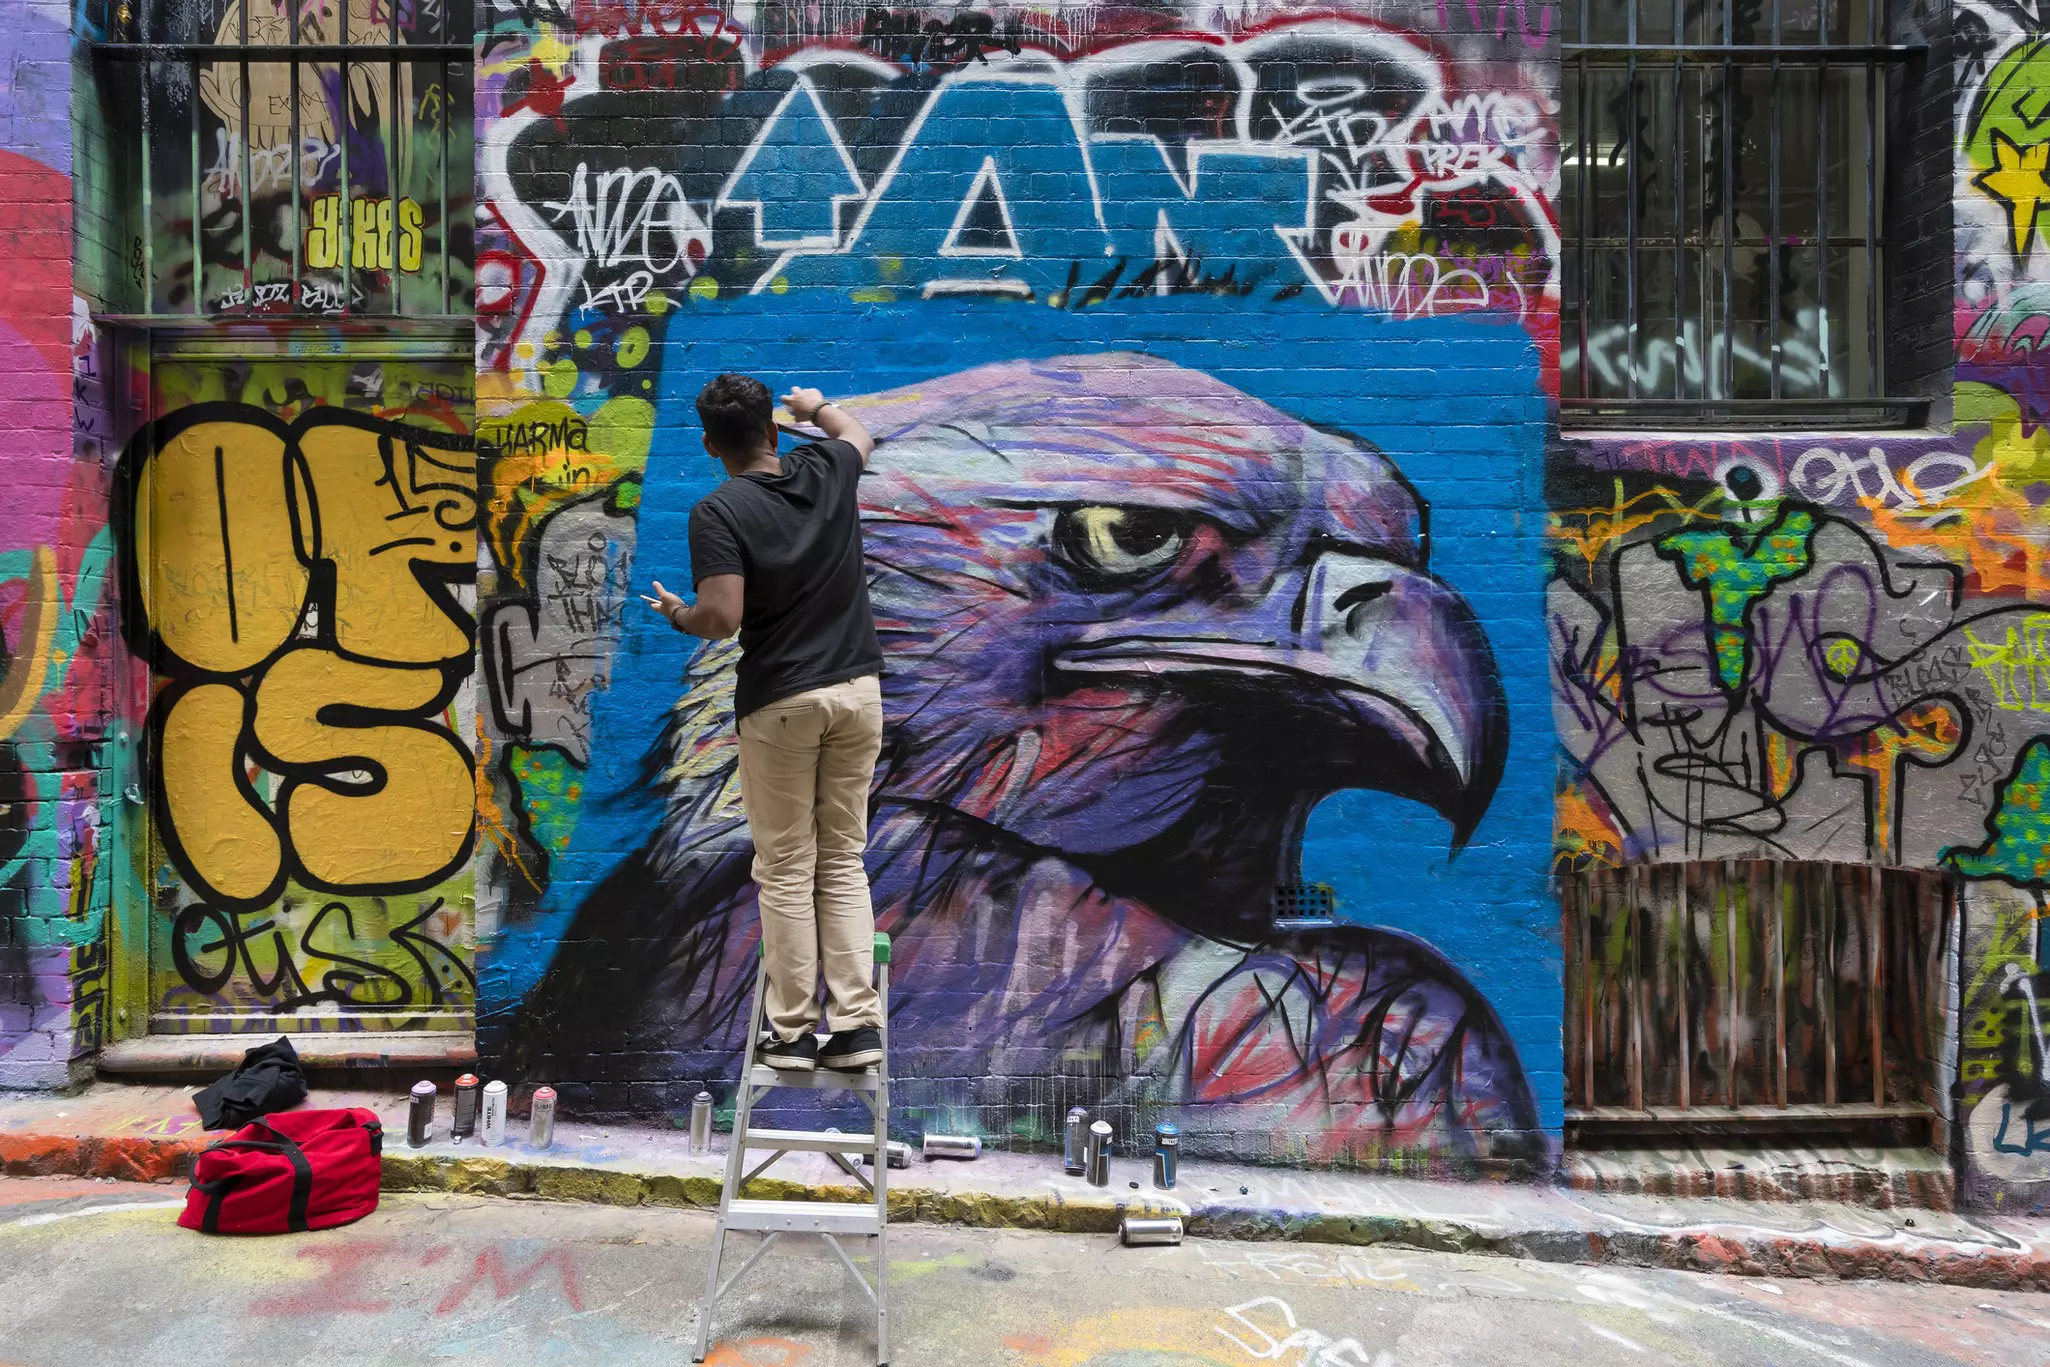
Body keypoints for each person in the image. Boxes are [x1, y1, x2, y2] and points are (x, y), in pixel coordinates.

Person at [648, 375, 886, 1072]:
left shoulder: (718, 510)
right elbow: (859, 435)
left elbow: (720, 619)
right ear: (774, 430)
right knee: (842, 859)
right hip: (857, 691)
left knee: (785, 867)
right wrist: (820, 406)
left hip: (782, 699)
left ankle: (790, 1032)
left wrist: (677, 615)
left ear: (709, 445)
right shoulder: (824, 467)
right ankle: (855, 1027)